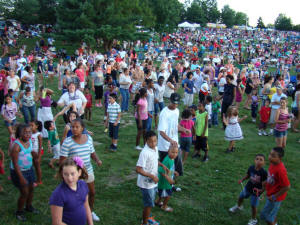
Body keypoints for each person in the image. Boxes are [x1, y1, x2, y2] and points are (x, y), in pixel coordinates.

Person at [60, 118, 102, 222]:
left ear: (82, 128)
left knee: (92, 192)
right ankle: (75, 214)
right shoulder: (67, 142)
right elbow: (62, 161)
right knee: (76, 196)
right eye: (72, 127)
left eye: (77, 127)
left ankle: (90, 211)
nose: (74, 129)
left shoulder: (88, 138)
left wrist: (97, 160)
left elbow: (92, 152)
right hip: (75, 174)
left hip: (88, 171)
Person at [50, 157, 93, 225]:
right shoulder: (58, 194)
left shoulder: (83, 185)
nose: (69, 178)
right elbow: (57, 223)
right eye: (66, 174)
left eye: (72, 174)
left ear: (79, 172)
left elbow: (86, 206)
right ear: (62, 174)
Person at [10, 124, 39, 221]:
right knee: (24, 193)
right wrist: (21, 178)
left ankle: (29, 206)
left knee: (31, 189)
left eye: (29, 132)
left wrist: (34, 155)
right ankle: (19, 211)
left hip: (29, 169)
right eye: (25, 132)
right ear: (19, 133)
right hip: (19, 172)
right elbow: (15, 164)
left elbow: (30, 151)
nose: (27, 134)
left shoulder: (30, 141)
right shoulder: (16, 147)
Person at [158, 93, 190, 177]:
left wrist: (184, 129)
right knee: (164, 169)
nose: (175, 105)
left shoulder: (177, 111)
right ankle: (161, 187)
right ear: (169, 100)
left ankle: (170, 186)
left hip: (175, 145)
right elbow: (161, 132)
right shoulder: (164, 113)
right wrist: (170, 141)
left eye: (176, 103)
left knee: (175, 168)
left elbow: (176, 125)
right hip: (165, 147)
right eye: (173, 103)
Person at [229, 154, 268, 225]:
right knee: (241, 197)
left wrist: (261, 191)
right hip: (248, 187)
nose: (258, 161)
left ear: (264, 163)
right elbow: (248, 175)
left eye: (261, 160)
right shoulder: (251, 168)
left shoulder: (264, 173)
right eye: (257, 159)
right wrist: (242, 179)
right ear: (254, 160)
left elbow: (264, 185)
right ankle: (239, 206)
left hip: (255, 192)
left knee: (253, 205)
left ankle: (254, 219)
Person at [260, 147, 290, 225]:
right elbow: (272, 177)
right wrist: (266, 182)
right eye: (270, 154)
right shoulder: (273, 164)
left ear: (280, 158)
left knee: (268, 218)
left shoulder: (280, 170)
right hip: (271, 194)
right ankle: (275, 222)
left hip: (275, 198)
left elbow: (287, 187)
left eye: (273, 156)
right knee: (271, 214)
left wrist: (274, 197)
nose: (270, 157)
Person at [136, 131, 160, 225]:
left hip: (153, 182)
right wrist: (152, 176)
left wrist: (162, 165)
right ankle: (144, 223)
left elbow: (155, 160)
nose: (153, 143)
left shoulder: (155, 149)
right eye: (150, 141)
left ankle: (148, 217)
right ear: (146, 141)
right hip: (146, 184)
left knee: (150, 202)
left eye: (155, 141)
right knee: (148, 205)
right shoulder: (144, 153)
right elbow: (138, 169)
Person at [155, 145, 179, 212]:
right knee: (168, 195)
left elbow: (169, 169)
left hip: (167, 181)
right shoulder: (167, 160)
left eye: (176, 152)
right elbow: (161, 171)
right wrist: (169, 179)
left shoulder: (171, 159)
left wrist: (173, 172)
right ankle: (164, 206)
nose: (174, 154)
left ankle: (158, 202)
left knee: (162, 193)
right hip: (165, 182)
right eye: (173, 152)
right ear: (168, 151)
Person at [30, 120, 43, 186]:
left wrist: (39, 156)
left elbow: (40, 146)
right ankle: (36, 179)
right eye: (29, 126)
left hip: (37, 153)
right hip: (32, 152)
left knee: (37, 166)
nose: (30, 127)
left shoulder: (38, 135)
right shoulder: (30, 134)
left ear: (37, 126)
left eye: (32, 126)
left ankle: (39, 180)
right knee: (34, 166)